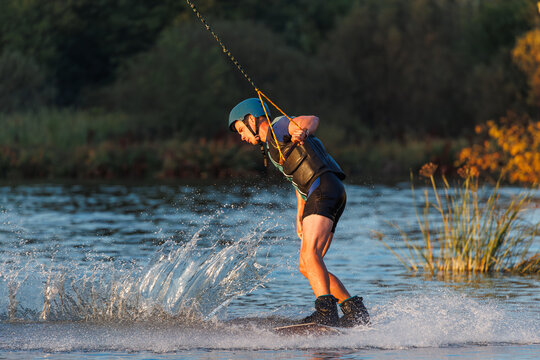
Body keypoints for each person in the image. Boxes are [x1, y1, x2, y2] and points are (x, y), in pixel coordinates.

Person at [228, 98, 370, 327]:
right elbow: (299, 179)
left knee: (309, 255)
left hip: (323, 189)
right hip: (328, 191)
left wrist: (302, 132)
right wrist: (300, 215)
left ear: (252, 120)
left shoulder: (279, 127)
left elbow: (312, 120)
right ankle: (355, 312)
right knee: (308, 265)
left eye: (241, 129)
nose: (242, 136)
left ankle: (326, 313)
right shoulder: (274, 146)